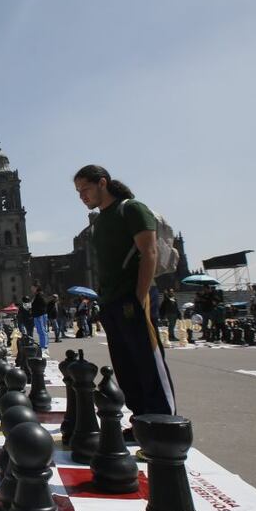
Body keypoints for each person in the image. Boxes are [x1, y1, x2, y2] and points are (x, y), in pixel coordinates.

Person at [73, 164, 175, 421]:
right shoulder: (99, 221)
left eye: (85, 188)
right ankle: (141, 418)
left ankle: (162, 422)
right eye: (78, 191)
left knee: (147, 361)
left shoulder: (132, 208)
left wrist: (140, 296)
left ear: (103, 183)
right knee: (125, 365)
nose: (82, 196)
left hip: (133, 297)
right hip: (111, 302)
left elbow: (149, 252)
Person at [29, 282, 48, 349]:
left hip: (39, 315)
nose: (31, 289)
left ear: (36, 288)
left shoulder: (39, 296)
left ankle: (43, 345)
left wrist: (37, 311)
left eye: (33, 287)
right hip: (38, 315)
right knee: (42, 330)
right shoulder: (38, 295)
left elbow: (44, 304)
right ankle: (44, 344)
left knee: (41, 330)